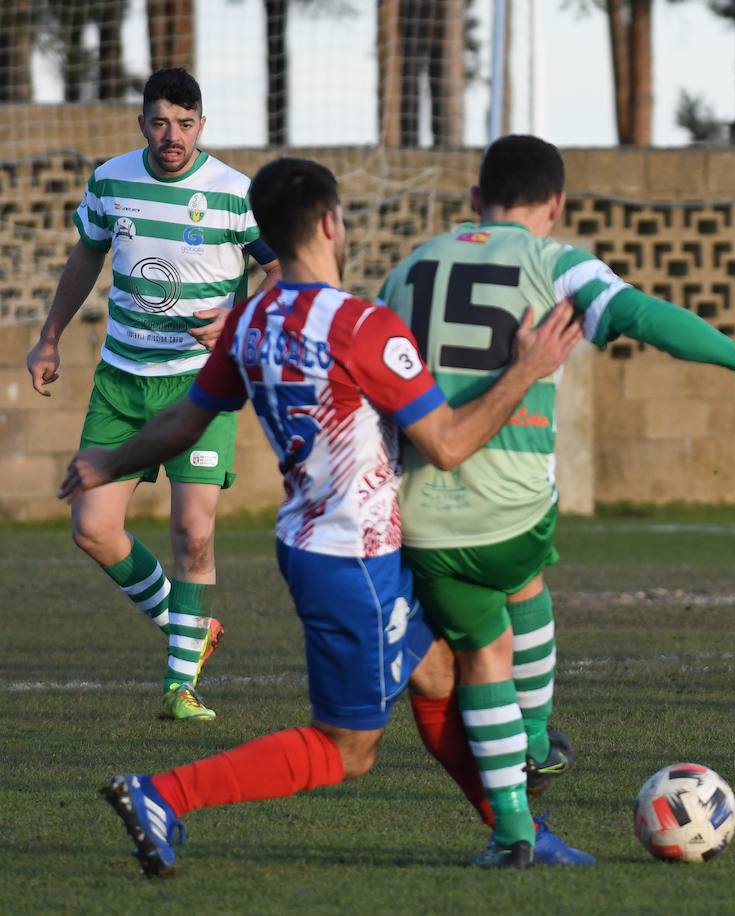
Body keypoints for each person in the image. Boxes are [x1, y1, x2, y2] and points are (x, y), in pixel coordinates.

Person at [63, 157, 588, 876]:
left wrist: (109, 460)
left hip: (315, 540)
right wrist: (526, 371)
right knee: (348, 748)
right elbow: (448, 444)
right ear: (333, 223)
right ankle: (163, 794)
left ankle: (517, 832)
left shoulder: (251, 320)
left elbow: (187, 420)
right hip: (355, 559)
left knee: (437, 675)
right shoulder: (363, 326)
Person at [376, 134, 735, 866]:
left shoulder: (407, 268)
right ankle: (535, 748)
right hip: (508, 509)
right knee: (509, 600)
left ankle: (520, 807)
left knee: (486, 640)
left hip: (413, 512)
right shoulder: (553, 261)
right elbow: (642, 316)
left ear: (476, 200)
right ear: (557, 204)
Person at [26, 68, 281, 720]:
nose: (173, 136)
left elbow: (279, 269)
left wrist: (237, 323)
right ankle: (189, 628)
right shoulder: (112, 180)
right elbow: (85, 255)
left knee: (193, 533)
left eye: (186, 124)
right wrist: (49, 337)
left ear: (203, 125)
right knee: (92, 527)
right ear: (143, 122)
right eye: (161, 122)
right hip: (121, 383)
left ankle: (180, 687)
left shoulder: (233, 194)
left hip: (202, 384)